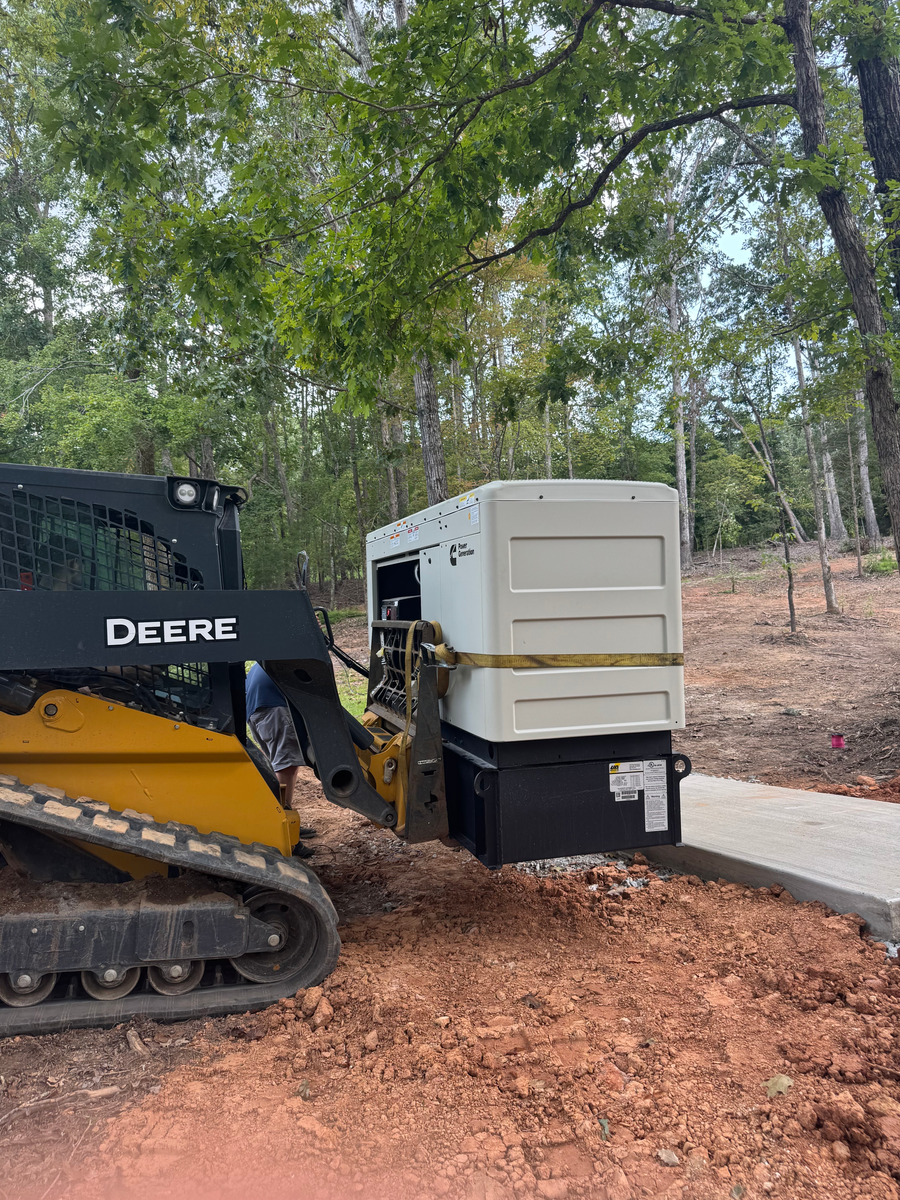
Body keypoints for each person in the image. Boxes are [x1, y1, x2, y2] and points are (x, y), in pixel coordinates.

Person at [245, 662, 317, 858]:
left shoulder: (270, 654)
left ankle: (288, 822)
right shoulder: (295, 653)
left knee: (287, 766)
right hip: (273, 710)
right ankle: (283, 831)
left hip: (257, 711)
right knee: (286, 768)